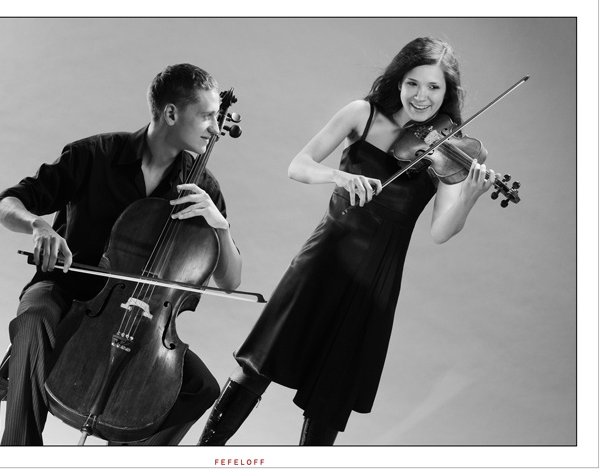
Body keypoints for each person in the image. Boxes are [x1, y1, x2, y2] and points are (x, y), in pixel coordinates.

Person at [197, 37, 497, 446]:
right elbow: (298, 165)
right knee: (258, 363)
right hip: (324, 259)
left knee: (331, 397)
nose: (421, 96)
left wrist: (469, 198)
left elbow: (440, 231)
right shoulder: (362, 114)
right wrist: (338, 176)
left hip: (376, 281)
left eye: (433, 87)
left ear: (447, 93)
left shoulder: (449, 150)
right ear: (399, 79)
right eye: (413, 83)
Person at [0, 63, 242, 445]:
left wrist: (219, 224)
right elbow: (4, 204)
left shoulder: (203, 190)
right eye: (206, 116)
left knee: (200, 388)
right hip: (65, 290)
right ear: (171, 113)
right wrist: (38, 226)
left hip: (145, 319)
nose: (215, 128)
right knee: (34, 319)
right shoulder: (94, 154)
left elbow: (231, 281)